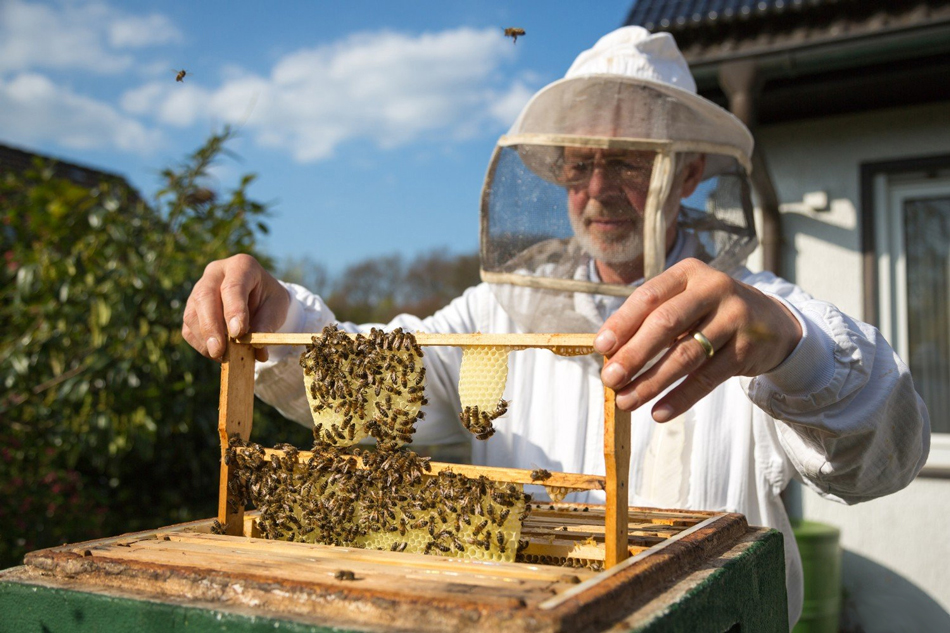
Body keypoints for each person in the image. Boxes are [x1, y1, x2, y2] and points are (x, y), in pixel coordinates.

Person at [182, 27, 930, 626]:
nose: (598, 191)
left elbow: (885, 456)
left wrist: (796, 351)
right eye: (578, 165)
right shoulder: (494, 314)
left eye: (628, 162)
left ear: (692, 169)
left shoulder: (755, 318)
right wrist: (278, 318)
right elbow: (371, 391)